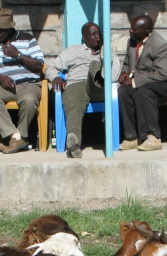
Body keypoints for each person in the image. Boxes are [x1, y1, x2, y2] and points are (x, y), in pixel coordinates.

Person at [44, 22, 118, 159]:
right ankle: (74, 144)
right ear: (84, 37)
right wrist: (55, 78)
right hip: (77, 83)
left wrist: (106, 55)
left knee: (96, 69)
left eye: (99, 33)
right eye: (93, 34)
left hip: (99, 87)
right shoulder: (72, 51)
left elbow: (115, 76)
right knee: (73, 102)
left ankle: (97, 70)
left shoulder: (107, 51)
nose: (97, 37)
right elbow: (50, 68)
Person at [0, 8, 45, 154]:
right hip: (5, 85)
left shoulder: (27, 39)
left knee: (29, 99)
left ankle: (20, 135)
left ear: (10, 28)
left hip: (28, 83)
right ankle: (15, 136)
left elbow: (39, 65)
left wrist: (18, 55)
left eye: (1, 30)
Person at [117, 15, 167, 152]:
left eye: (134, 29)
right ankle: (131, 137)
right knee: (123, 91)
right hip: (146, 82)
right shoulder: (133, 41)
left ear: (146, 32)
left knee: (144, 92)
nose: (130, 31)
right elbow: (128, 63)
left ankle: (152, 137)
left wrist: (135, 81)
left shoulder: (160, 44)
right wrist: (124, 73)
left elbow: (162, 74)